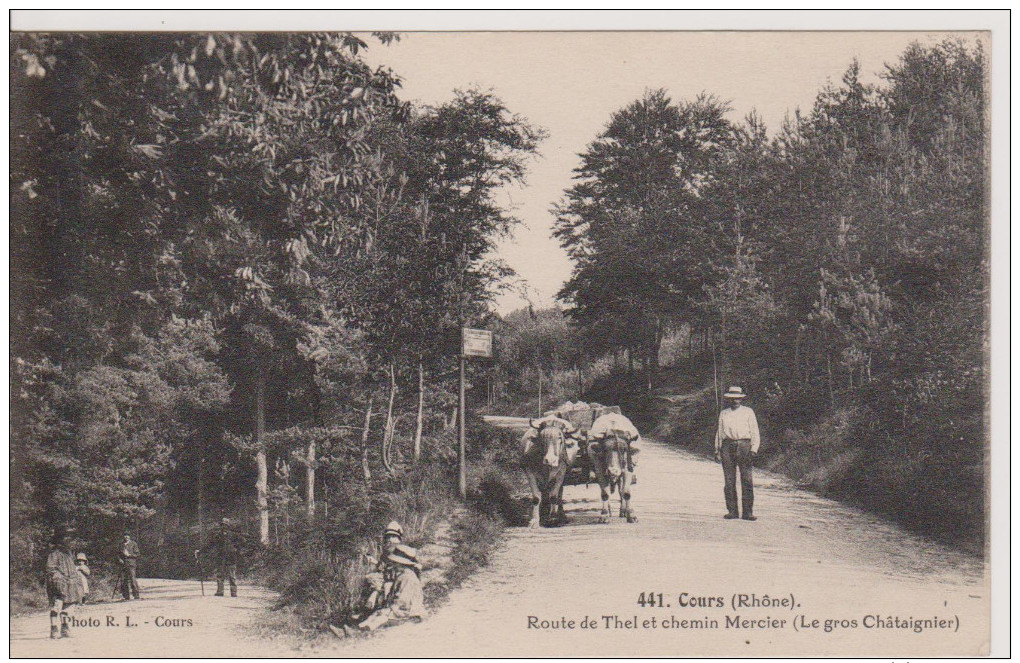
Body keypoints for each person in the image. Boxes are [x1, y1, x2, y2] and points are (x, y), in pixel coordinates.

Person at [714, 386, 761, 521]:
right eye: (733, 398)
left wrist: (754, 448)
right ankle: (732, 511)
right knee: (729, 480)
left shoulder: (748, 412)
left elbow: (754, 431)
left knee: (746, 479)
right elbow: (720, 432)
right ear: (729, 399)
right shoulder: (724, 413)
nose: (736, 400)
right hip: (727, 446)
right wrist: (717, 449)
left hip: (744, 445)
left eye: (738, 398)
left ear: (741, 399)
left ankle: (748, 512)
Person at [354, 544, 426, 632]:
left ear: (401, 564)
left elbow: (403, 600)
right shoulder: (403, 575)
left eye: (395, 563)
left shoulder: (407, 578)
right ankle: (357, 629)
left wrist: (390, 608)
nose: (393, 565)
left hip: (409, 612)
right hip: (403, 608)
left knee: (381, 616)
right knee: (376, 614)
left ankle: (361, 631)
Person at [46, 527, 83, 639]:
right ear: (60, 539)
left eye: (69, 538)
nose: (69, 540)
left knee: (68, 606)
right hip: (59, 584)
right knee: (57, 605)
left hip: (70, 584)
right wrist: (59, 580)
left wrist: (76, 579)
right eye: (66, 537)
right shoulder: (54, 553)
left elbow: (72, 568)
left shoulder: (69, 554)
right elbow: (51, 569)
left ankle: (64, 628)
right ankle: (53, 629)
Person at [208, 518, 239, 597]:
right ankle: (220, 591)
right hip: (221, 557)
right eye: (222, 525)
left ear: (228, 526)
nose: (224, 527)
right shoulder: (217, 536)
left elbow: (242, 542)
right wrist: (200, 551)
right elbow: (210, 545)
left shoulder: (233, 535)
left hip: (231, 557)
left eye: (225, 525)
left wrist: (235, 549)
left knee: (232, 576)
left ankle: (233, 592)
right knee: (220, 575)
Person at [118, 531, 142, 600]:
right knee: (124, 580)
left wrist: (130, 555)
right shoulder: (121, 545)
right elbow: (118, 554)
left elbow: (137, 554)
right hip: (123, 565)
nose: (126, 537)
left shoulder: (133, 544)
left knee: (132, 579)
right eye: (125, 535)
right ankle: (126, 596)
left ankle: (136, 595)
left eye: (128, 535)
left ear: (130, 536)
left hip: (131, 564)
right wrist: (120, 559)